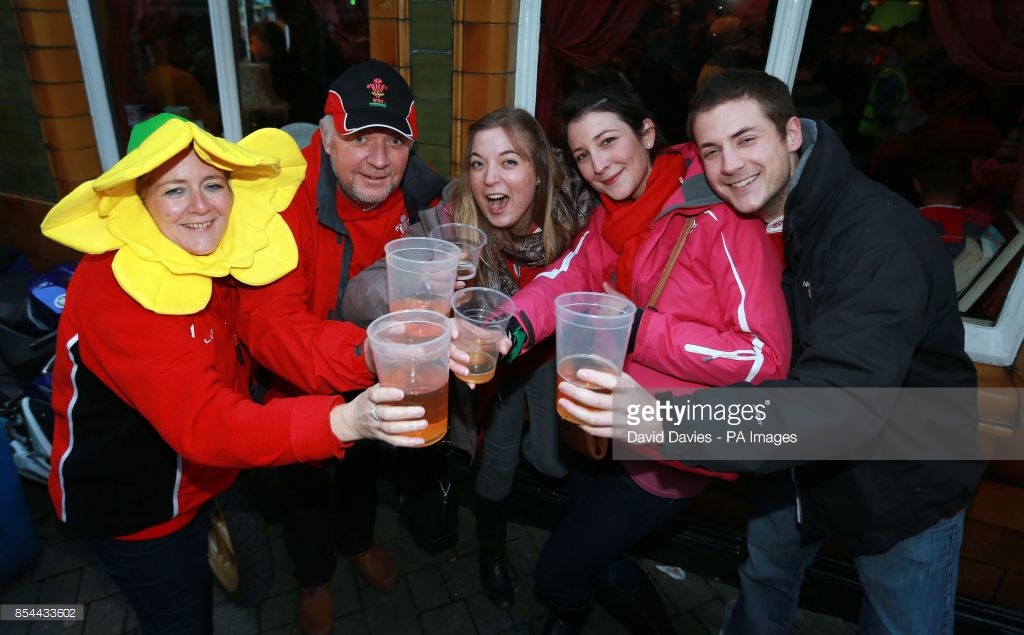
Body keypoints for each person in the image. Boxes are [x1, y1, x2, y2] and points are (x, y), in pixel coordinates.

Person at [561, 69, 985, 635]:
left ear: (791, 134)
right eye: (711, 150)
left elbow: (839, 409)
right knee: (762, 589)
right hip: (795, 472)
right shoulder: (780, 215)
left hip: (902, 483)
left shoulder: (876, 237)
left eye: (746, 139)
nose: (729, 165)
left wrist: (665, 418)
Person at [39, 113, 429, 635]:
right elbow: (207, 421)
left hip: (202, 482)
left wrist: (376, 352)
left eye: (213, 185)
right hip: (138, 510)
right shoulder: (113, 289)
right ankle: (37, 614)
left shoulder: (224, 253)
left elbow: (279, 329)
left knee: (195, 592)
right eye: (175, 189)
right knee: (179, 617)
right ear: (139, 200)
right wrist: (345, 422)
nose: (201, 206)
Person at [471, 86, 791, 634]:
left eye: (609, 141)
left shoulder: (722, 220)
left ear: (646, 133)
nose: (598, 165)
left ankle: (588, 614)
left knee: (559, 571)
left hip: (667, 448)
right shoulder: (613, 216)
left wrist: (639, 327)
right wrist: (509, 329)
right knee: (590, 547)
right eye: (581, 155)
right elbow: (568, 276)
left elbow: (764, 358)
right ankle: (575, 614)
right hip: (603, 433)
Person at [351, 107, 595, 609]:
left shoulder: (582, 210)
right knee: (497, 466)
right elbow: (360, 291)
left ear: (539, 171)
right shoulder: (451, 220)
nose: (489, 179)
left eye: (509, 162)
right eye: (478, 164)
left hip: (551, 355)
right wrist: (429, 289)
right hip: (493, 365)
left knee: (552, 462)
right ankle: (491, 552)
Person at [235, 59, 446, 635]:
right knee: (305, 489)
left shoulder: (425, 199)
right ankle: (314, 577)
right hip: (299, 380)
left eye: (394, 140)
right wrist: (371, 354)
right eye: (359, 138)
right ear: (325, 137)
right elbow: (269, 323)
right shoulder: (284, 200)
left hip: (378, 379)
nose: (379, 159)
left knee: (361, 472)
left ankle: (357, 541)